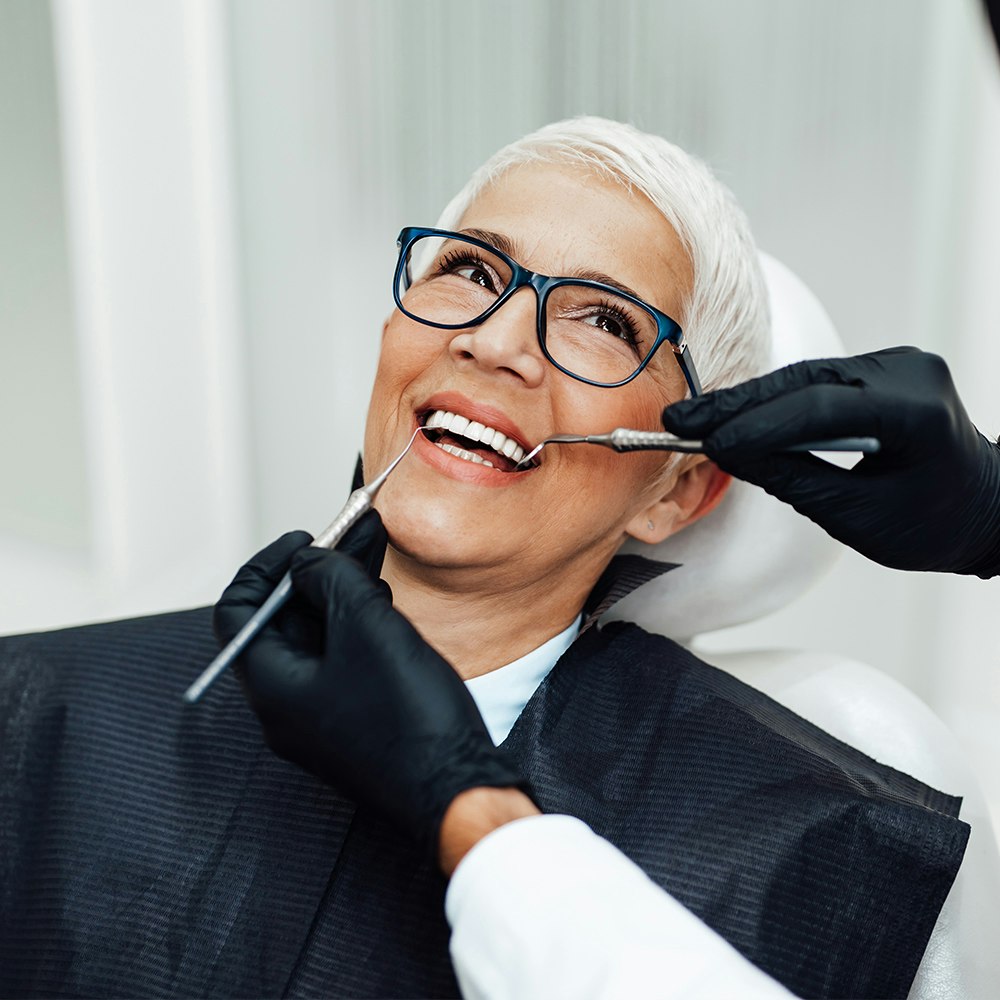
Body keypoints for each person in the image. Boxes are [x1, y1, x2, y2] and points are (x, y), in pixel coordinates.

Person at [0, 118, 973, 1000]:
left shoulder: (810, 857)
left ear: (678, 489)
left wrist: (460, 802)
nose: (496, 339)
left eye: (604, 319)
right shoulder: (38, 711)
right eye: (469, 270)